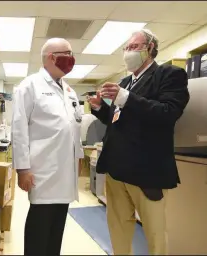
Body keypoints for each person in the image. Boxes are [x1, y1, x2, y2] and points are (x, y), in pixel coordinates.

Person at [87, 29, 190, 255]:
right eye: (126, 48)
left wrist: (125, 97)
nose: (128, 52)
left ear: (150, 49)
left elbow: (167, 112)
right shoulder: (126, 82)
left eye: (134, 47)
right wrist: (100, 108)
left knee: (155, 233)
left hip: (146, 172)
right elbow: (118, 120)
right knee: (118, 229)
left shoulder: (169, 74)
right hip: (116, 170)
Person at [11, 38, 84, 256]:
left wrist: (78, 158)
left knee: (56, 231)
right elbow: (19, 129)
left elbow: (75, 128)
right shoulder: (30, 85)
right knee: (39, 230)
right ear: (52, 57)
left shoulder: (69, 91)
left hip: (65, 174)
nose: (71, 58)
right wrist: (22, 169)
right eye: (67, 53)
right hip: (42, 172)